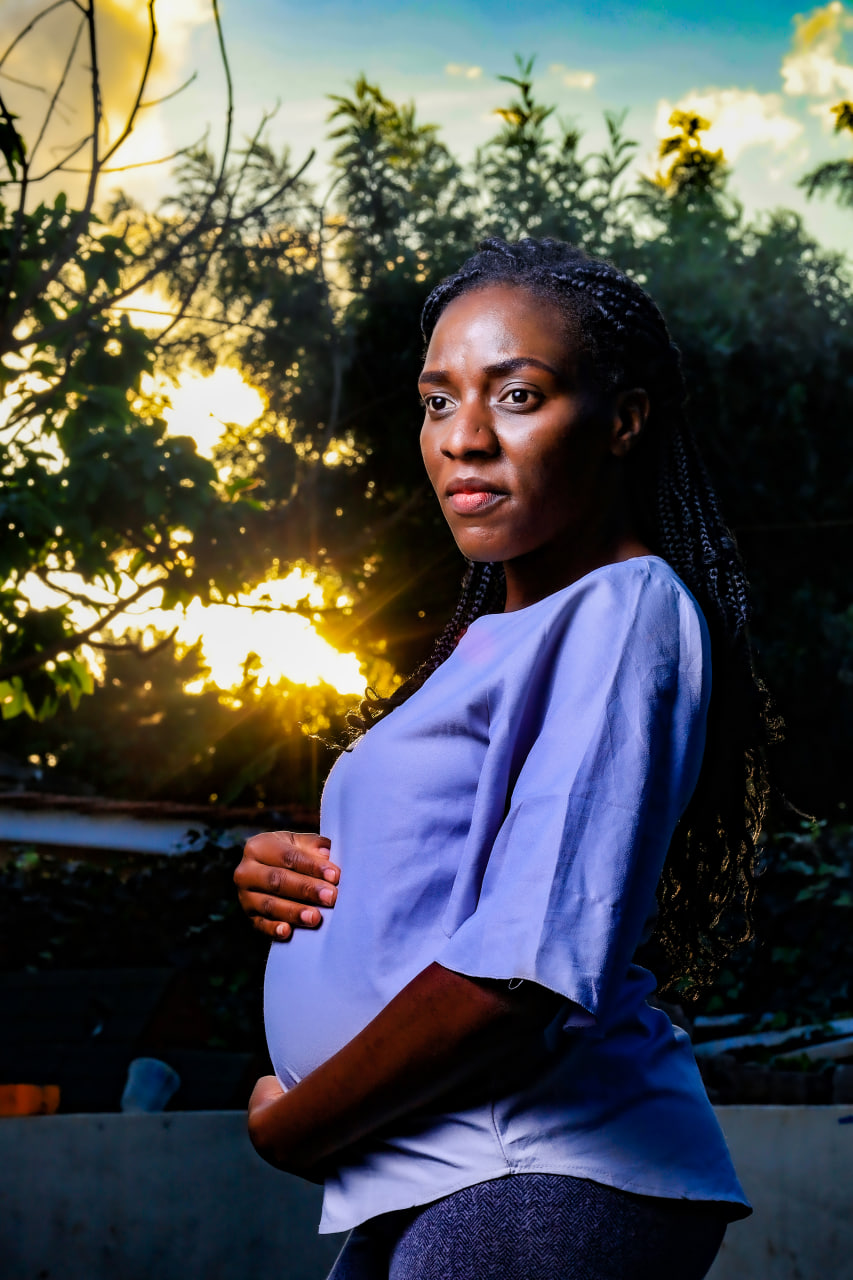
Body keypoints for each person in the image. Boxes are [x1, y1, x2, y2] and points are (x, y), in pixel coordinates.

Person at [234, 237, 775, 1280]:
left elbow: (521, 966)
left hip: (533, 1167)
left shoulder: (623, 607)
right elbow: (447, 877)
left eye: (517, 395)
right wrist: (299, 875)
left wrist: (296, 1126)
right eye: (438, 401)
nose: (464, 438)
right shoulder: (498, 641)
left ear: (621, 420)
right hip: (444, 1168)